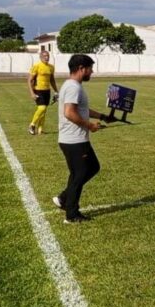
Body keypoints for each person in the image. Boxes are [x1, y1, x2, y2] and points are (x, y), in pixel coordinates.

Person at [53, 54, 111, 223]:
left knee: (91, 167)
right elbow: (69, 112)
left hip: (73, 139)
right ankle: (71, 214)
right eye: (90, 69)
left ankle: (64, 199)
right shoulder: (73, 87)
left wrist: (102, 116)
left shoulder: (72, 85)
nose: (91, 72)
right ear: (81, 68)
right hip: (74, 140)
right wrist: (90, 125)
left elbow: (82, 108)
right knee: (81, 174)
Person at [28, 50, 58, 135]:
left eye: (48, 56)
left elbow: (52, 80)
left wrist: (56, 91)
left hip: (47, 91)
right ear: (40, 57)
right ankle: (32, 125)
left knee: (43, 111)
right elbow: (30, 80)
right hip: (38, 90)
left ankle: (40, 129)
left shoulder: (51, 67)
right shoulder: (36, 66)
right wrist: (32, 93)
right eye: (44, 56)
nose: (46, 57)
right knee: (42, 108)